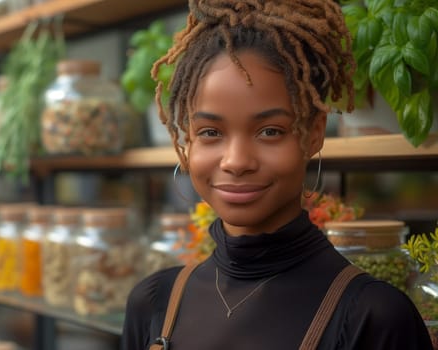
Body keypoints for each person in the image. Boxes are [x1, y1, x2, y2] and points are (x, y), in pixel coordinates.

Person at [121, 1, 433, 349]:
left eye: (270, 131)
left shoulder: (372, 318)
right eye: (210, 132)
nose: (236, 161)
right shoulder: (153, 304)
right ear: (187, 139)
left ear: (314, 133)